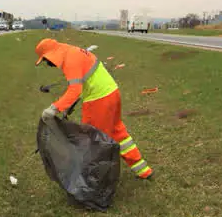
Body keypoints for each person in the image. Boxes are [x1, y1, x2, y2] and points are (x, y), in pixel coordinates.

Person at [35, 38, 154, 179]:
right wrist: (67, 106)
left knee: (92, 141)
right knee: (119, 134)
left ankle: (95, 181)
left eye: (46, 61)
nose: (49, 64)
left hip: (99, 101)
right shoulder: (75, 52)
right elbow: (86, 81)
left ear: (51, 55)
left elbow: (75, 90)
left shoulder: (70, 60)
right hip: (112, 93)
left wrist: (54, 109)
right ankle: (143, 170)